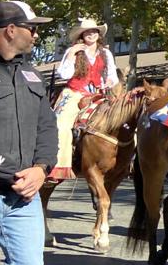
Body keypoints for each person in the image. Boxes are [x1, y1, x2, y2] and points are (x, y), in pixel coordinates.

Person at [0, 0, 55, 265]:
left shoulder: (33, 74)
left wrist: (41, 168)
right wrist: (11, 171)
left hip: (23, 195)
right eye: (31, 28)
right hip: (13, 181)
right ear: (10, 30)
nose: (36, 35)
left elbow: (47, 126)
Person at [48, 18, 119, 182]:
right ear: (82, 35)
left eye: (94, 31)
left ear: (99, 34)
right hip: (74, 93)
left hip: (98, 94)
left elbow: (113, 76)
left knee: (120, 120)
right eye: (87, 32)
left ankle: (119, 162)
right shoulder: (73, 50)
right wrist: (71, 54)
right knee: (61, 123)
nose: (91, 34)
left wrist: (109, 82)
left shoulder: (105, 53)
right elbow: (64, 74)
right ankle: (57, 167)